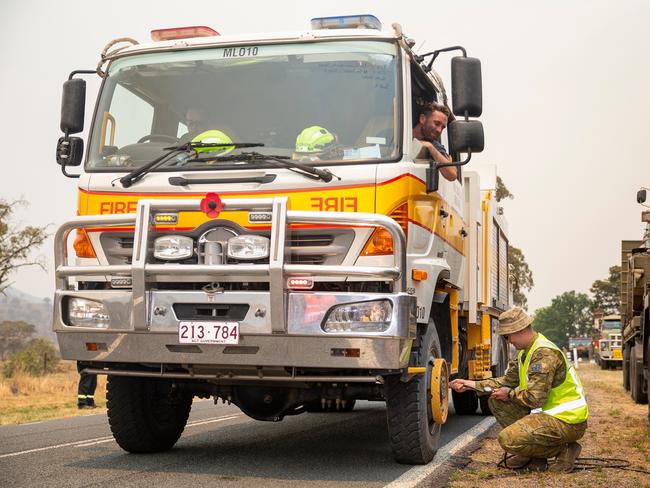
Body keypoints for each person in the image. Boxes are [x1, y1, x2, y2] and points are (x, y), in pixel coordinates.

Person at [450, 307, 589, 473]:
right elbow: (506, 381)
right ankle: (533, 456)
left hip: (568, 421)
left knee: (508, 439)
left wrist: (509, 393)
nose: (508, 341)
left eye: (508, 336)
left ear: (521, 330)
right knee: (496, 401)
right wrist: (469, 384)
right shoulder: (525, 353)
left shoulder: (544, 353)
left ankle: (565, 450)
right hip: (551, 415)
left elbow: (536, 398)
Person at [413, 102, 457, 181]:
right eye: (436, 124)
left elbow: (452, 175)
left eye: (443, 127)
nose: (439, 130)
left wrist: (430, 148)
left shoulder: (434, 145)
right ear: (422, 119)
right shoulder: (396, 135)